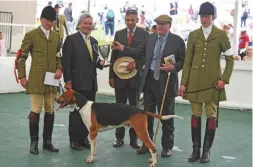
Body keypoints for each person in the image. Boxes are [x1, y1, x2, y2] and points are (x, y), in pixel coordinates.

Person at [112, 14, 185, 157]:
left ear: (169, 25)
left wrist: (174, 67)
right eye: (158, 24)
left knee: (166, 116)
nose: (161, 27)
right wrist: (122, 48)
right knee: (147, 116)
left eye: (164, 24)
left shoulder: (177, 41)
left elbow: (183, 60)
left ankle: (167, 147)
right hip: (149, 81)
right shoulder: (150, 38)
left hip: (166, 82)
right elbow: (138, 51)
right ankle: (147, 144)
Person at [178, 2, 234, 163]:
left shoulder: (221, 35)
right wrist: (183, 83)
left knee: (211, 114)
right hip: (194, 82)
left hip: (212, 82)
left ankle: (206, 151)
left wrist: (224, 79)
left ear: (213, 17)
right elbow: (188, 60)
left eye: (207, 17)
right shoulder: (194, 35)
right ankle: (195, 149)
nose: (203, 20)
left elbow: (230, 59)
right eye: (202, 16)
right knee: (195, 114)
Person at [16, 6, 62, 155]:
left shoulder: (57, 36)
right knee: (36, 110)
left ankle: (47, 142)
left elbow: (58, 56)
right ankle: (33, 143)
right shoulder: (31, 35)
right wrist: (22, 76)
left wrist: (59, 68)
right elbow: (21, 58)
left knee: (50, 110)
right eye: (47, 20)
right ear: (41, 19)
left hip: (52, 80)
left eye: (52, 21)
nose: (50, 23)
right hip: (36, 80)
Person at [62, 13, 106, 151]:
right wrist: (68, 80)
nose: (87, 26)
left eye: (89, 23)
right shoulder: (70, 39)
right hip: (76, 83)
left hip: (91, 83)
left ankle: (84, 139)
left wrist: (100, 63)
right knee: (75, 113)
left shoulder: (94, 41)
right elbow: (66, 62)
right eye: (85, 23)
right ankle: (74, 140)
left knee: (89, 114)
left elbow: (94, 60)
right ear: (79, 24)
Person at [109, 9, 149, 149]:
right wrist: (111, 76)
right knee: (119, 108)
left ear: (137, 20)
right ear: (125, 20)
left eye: (133, 20)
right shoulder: (119, 34)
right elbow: (113, 57)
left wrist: (137, 64)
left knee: (134, 109)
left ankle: (134, 140)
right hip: (119, 78)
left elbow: (144, 55)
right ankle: (119, 138)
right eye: (128, 20)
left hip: (135, 78)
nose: (130, 22)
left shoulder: (145, 34)